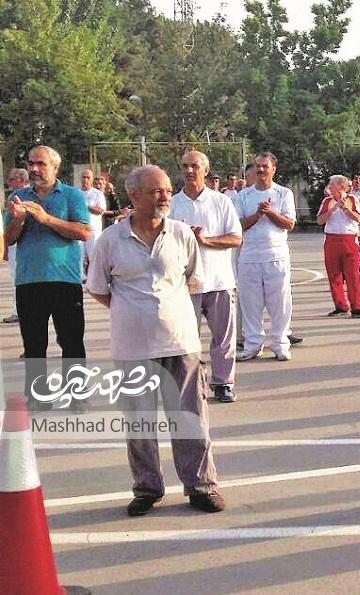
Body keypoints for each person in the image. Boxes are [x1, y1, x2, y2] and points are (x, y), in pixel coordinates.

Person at [85, 164, 225, 517]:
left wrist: (164, 309)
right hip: (132, 347)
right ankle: (147, 488)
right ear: (133, 195)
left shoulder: (181, 234)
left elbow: (194, 280)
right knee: (139, 422)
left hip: (181, 342)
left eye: (166, 189)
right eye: (156, 191)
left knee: (191, 417)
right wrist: (135, 311)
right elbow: (99, 289)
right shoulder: (110, 240)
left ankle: (201, 486)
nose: (165, 196)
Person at [3, 145, 91, 406]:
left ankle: (76, 395)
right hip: (29, 280)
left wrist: (45, 218)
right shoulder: (18, 196)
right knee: (33, 344)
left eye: (40, 164)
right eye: (31, 163)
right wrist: (18, 219)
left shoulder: (71, 195)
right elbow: (7, 239)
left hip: (65, 280)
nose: (33, 169)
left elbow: (84, 232)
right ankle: (38, 397)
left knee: (72, 341)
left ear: (55, 167)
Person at [169, 150, 244, 403]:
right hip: (184, 284)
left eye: (195, 166)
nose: (189, 171)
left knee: (223, 337)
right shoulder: (172, 204)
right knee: (184, 340)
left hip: (219, 281)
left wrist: (205, 240)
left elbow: (236, 238)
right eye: (185, 166)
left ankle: (223, 383)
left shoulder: (221, 202)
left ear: (205, 169)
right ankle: (190, 384)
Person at [235, 152, 298, 362]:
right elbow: (239, 226)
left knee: (280, 303)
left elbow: (289, 224)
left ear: (273, 169)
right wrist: (258, 214)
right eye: (257, 166)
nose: (260, 170)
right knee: (250, 304)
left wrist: (270, 212)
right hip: (250, 257)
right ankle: (253, 344)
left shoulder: (283, 193)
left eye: (264, 166)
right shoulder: (243, 196)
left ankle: (280, 344)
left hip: (276, 256)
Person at [317, 174, 360, 318]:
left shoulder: (353, 199)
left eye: (332, 184)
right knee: (334, 275)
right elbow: (320, 220)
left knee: (352, 275)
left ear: (341, 186)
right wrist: (332, 210)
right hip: (331, 240)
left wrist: (345, 209)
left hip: (349, 240)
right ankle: (340, 306)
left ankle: (356, 307)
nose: (330, 186)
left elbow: (358, 218)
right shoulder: (327, 201)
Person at [3, 167, 29, 324]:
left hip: (17, 242)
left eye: (12, 179)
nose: (9, 182)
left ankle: (18, 310)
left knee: (16, 278)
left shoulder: (17, 196)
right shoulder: (32, 194)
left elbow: (9, 224)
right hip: (23, 243)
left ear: (21, 179)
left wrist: (5, 246)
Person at [79, 168, 106, 278]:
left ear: (91, 180)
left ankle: (97, 279)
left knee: (94, 256)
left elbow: (100, 211)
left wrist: (86, 206)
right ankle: (80, 278)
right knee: (78, 256)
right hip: (78, 229)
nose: (85, 179)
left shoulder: (97, 194)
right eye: (83, 177)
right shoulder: (76, 193)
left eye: (88, 177)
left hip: (92, 230)